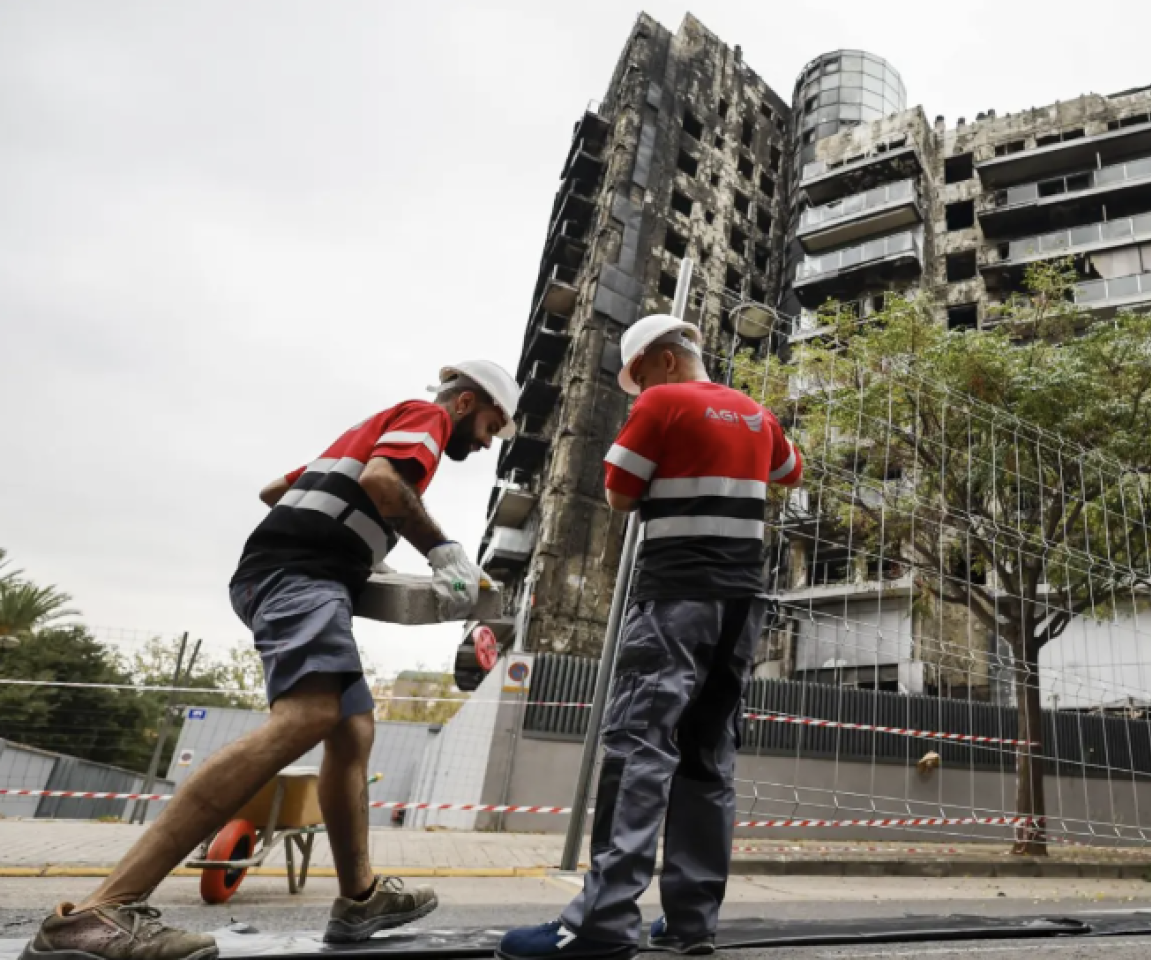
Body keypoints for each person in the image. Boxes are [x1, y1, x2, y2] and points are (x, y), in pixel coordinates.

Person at [22, 361, 521, 960]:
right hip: (298, 576)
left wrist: (361, 546)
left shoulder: (361, 434)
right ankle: (102, 911)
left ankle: (360, 898)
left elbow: (275, 493)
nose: (489, 440)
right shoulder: (429, 417)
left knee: (352, 726)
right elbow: (388, 483)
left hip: (298, 573)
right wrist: (441, 550)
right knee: (308, 715)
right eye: (492, 424)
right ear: (466, 404)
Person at [500, 316, 802, 960]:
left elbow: (618, 492)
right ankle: (692, 923)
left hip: (675, 595)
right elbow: (788, 473)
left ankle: (600, 923)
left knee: (640, 745)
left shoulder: (663, 402)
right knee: (707, 756)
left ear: (663, 361)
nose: (637, 389)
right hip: (742, 602)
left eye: (637, 375)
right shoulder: (757, 412)